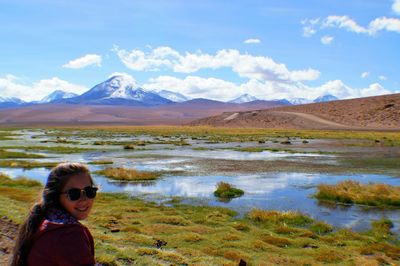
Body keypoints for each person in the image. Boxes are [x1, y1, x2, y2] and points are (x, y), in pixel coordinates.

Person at [11, 162, 98, 266]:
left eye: (89, 191)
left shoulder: (45, 220)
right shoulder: (69, 235)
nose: (84, 200)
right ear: (56, 196)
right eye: (74, 194)